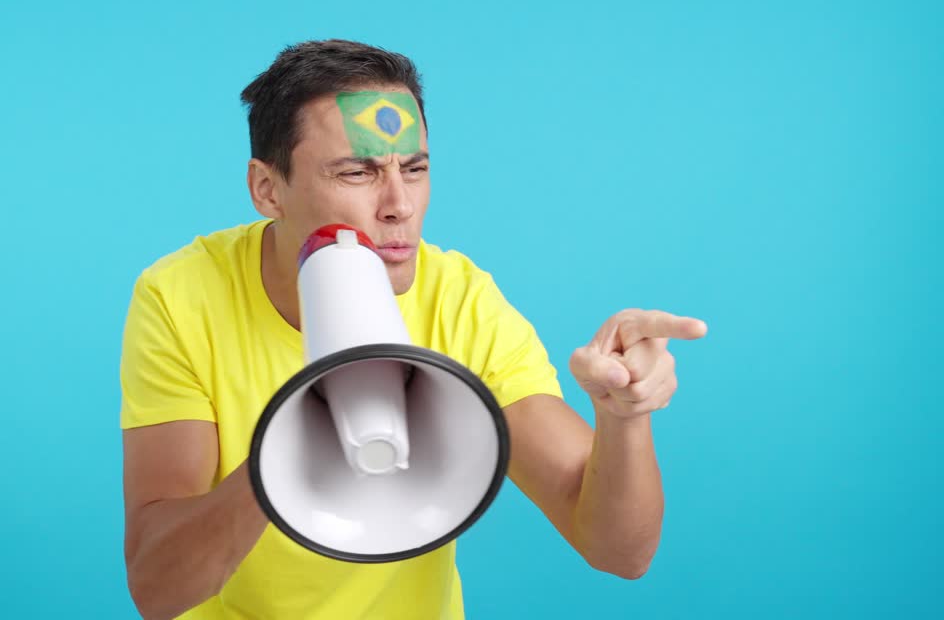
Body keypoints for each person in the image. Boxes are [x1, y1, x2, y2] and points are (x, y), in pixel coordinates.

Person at [118, 39, 708, 620]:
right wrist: (284, 456)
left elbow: (619, 553)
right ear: (267, 189)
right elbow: (156, 589)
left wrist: (624, 419)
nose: (399, 205)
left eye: (416, 168)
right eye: (357, 172)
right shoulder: (182, 296)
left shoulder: (461, 301)